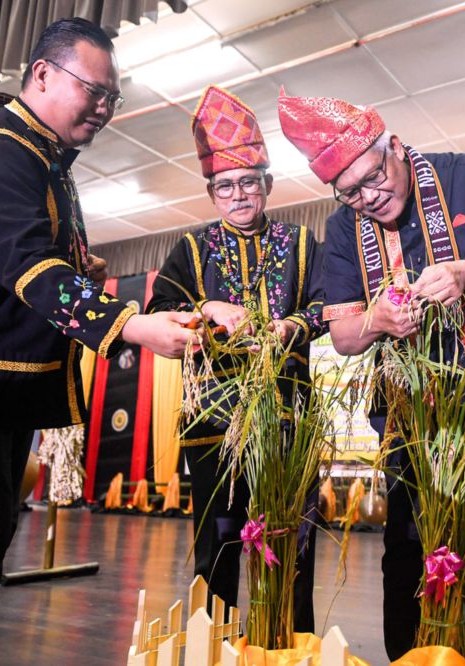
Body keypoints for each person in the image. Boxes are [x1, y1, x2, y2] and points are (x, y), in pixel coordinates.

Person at [0, 18, 197, 666]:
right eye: (94, 89)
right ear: (43, 74)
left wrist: (89, 277)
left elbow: (40, 265)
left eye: (113, 96)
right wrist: (133, 324)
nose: (104, 107)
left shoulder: (46, 159)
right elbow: (30, 269)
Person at [278, 91, 465, 665]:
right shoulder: (344, 230)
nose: (370, 198)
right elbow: (343, 336)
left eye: (374, 178)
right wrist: (378, 319)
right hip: (402, 407)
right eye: (351, 193)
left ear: (392, 146)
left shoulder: (462, 175)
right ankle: (409, 658)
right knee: (406, 543)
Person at [146, 85, 325, 631]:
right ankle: (214, 643)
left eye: (249, 182)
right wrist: (206, 306)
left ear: (268, 184)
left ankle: (285, 645)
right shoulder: (191, 248)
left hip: (288, 420)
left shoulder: (301, 244)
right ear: (212, 192)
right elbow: (159, 310)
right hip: (213, 426)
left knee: (289, 542)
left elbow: (329, 306)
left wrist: (292, 324)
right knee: (218, 542)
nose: (239, 195)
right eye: (226, 186)